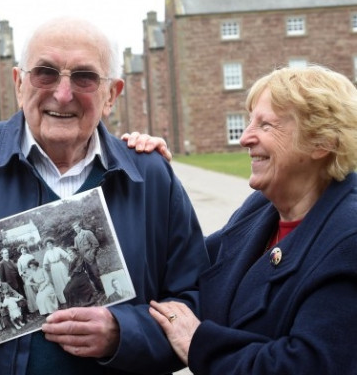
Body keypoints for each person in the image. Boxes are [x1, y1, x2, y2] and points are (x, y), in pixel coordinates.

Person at [0, 16, 209, 375]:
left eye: (85, 77)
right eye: (45, 73)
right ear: (18, 83)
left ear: (112, 95)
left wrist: (124, 333)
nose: (63, 94)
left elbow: (195, 302)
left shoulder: (149, 178)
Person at [149, 65, 357, 374]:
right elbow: (186, 266)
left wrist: (200, 345)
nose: (245, 138)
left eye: (266, 125)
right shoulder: (262, 207)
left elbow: (304, 365)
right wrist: (144, 169)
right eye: (249, 122)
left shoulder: (348, 238)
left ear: (321, 142)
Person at [72, 220, 104, 293]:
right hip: (84, 260)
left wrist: (92, 254)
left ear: (80, 227)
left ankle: (104, 289)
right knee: (90, 275)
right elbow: (76, 249)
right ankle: (99, 290)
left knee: (96, 274)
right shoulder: (76, 238)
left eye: (77, 227)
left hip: (90, 258)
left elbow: (96, 244)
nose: (76, 229)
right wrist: (72, 250)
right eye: (74, 228)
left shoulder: (87, 233)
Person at [41, 237, 71, 305]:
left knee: (65, 279)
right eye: (47, 244)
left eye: (50, 243)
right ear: (46, 246)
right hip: (53, 267)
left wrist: (70, 259)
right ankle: (63, 299)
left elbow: (66, 255)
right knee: (58, 282)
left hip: (60, 264)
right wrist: (45, 269)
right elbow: (45, 263)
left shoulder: (58, 249)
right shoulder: (47, 253)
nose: (49, 245)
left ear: (52, 243)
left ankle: (71, 294)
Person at [16, 244, 39, 314]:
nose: (24, 250)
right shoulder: (19, 260)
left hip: (33, 272)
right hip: (26, 276)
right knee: (30, 292)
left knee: (37, 288)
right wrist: (24, 275)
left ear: (26, 249)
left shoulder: (30, 256)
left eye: (24, 249)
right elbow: (19, 271)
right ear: (20, 251)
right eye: (22, 249)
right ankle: (35, 307)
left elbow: (36, 265)